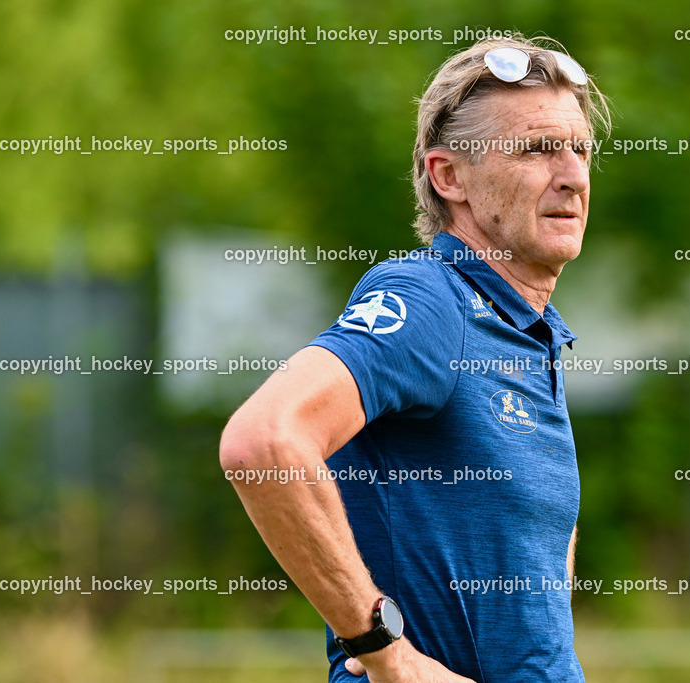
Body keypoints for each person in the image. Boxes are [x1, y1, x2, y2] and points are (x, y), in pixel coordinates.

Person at [219, 34, 610, 682]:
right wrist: (387, 654)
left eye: (580, 149)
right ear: (448, 175)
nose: (571, 174)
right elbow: (263, 442)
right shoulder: (432, 300)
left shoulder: (531, 331)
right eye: (537, 148)